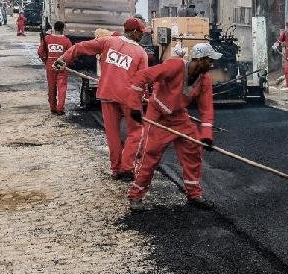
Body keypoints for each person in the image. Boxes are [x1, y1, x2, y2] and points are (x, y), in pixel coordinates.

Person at [126, 42, 221, 211]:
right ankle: (136, 194)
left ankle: (194, 193)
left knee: (194, 148)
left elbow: (206, 108)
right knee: (149, 155)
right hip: (158, 116)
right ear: (199, 59)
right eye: (209, 60)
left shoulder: (204, 79)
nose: (212, 64)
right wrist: (134, 106)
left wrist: (206, 135)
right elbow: (142, 76)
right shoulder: (175, 65)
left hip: (179, 116)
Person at [55, 17, 148, 181]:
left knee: (112, 134)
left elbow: (80, 47)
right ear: (135, 32)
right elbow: (143, 79)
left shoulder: (108, 42)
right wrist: (145, 98)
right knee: (136, 132)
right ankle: (127, 168)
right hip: (129, 98)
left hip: (107, 93)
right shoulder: (140, 53)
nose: (143, 36)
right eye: (142, 32)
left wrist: (64, 58)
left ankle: (116, 169)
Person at [37, 21, 72, 115]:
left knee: (51, 87)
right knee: (62, 87)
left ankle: (53, 107)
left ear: (54, 28)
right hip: (62, 66)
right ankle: (60, 108)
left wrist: (46, 60)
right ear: (63, 29)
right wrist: (67, 63)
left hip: (50, 66)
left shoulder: (47, 39)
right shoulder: (66, 41)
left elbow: (40, 52)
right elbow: (71, 54)